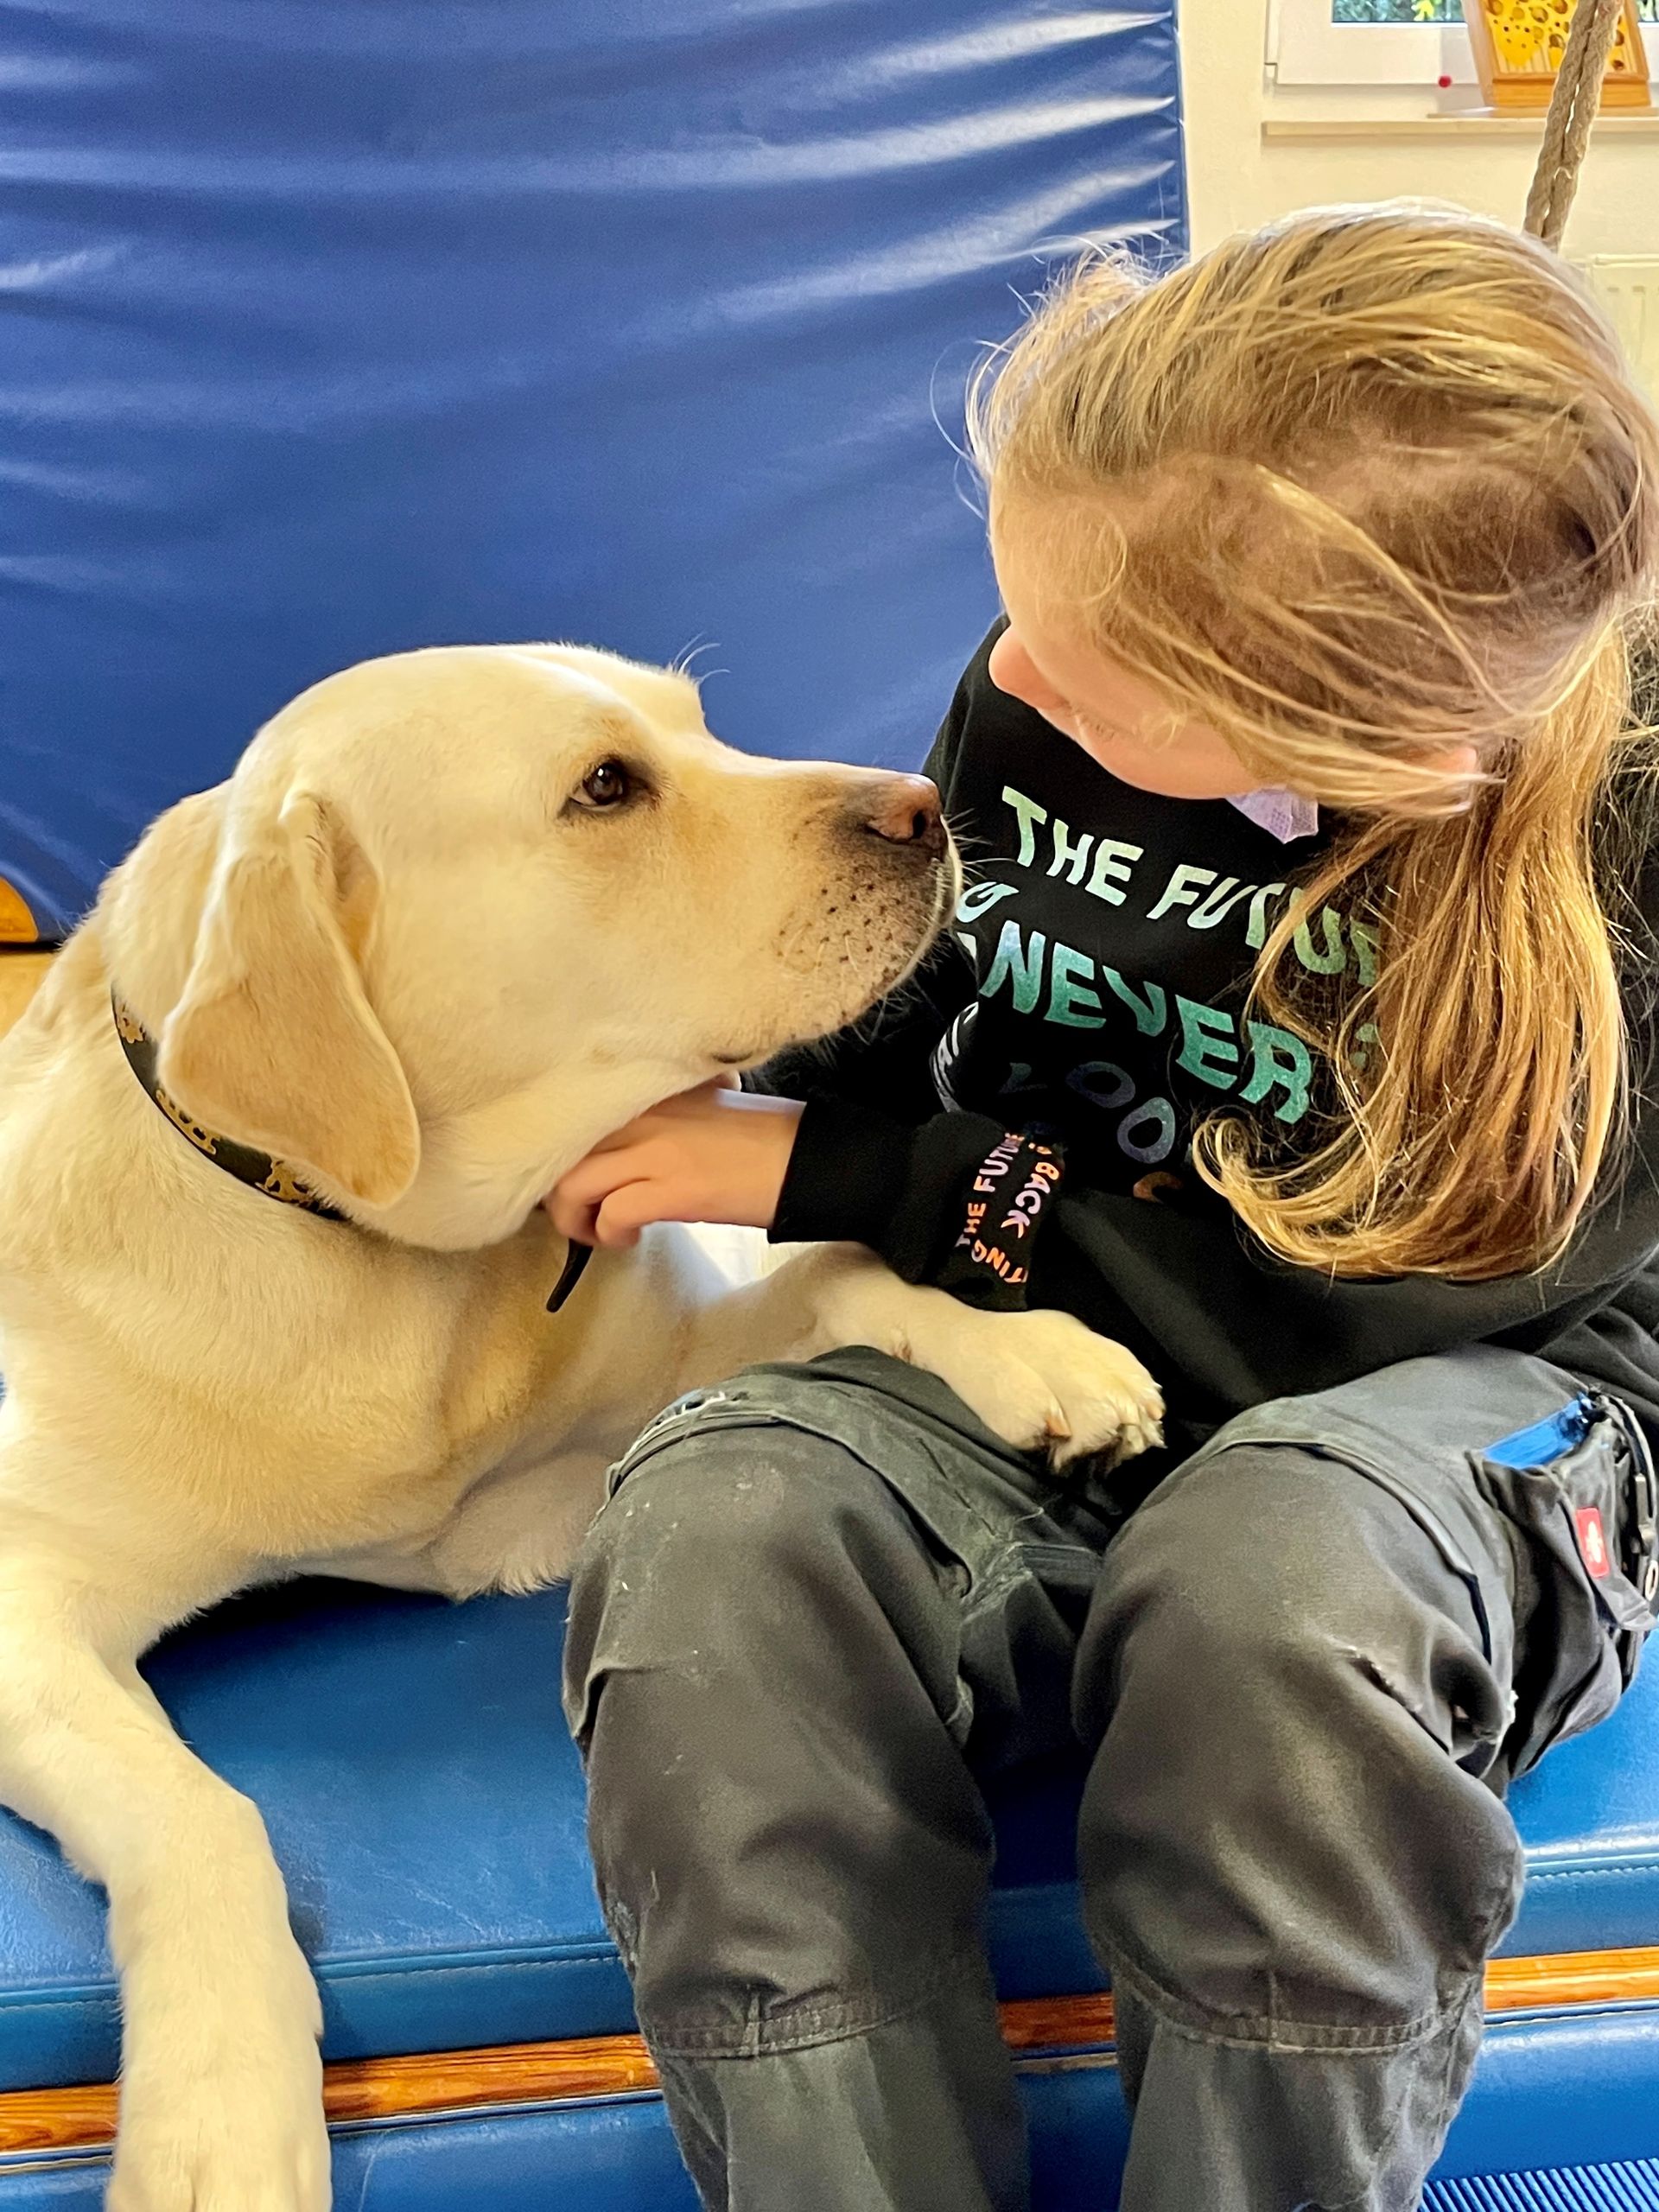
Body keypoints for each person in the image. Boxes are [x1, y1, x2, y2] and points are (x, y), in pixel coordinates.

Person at [550, 204, 1659, 2212]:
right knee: (715, 1543)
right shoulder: (1051, 673)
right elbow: (950, 1004)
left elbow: (1311, 1324)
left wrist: (844, 1174)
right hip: (1043, 1321)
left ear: (1390, 759)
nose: (1020, 675)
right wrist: (758, 1109)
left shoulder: (1609, 857)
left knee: (1270, 1599)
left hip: (1427, 1384)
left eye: (1105, 679)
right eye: (1018, 618)